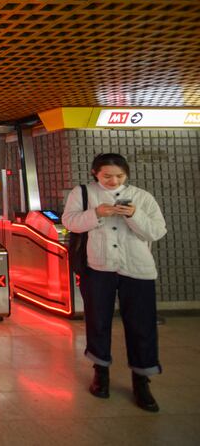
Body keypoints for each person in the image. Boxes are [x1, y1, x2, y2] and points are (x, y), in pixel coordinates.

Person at [62, 153, 167, 412]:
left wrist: (133, 215)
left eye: (119, 176)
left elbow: (156, 231)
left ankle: (142, 380)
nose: (113, 180)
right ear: (95, 172)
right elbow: (70, 222)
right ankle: (101, 372)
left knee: (142, 324)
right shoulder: (83, 193)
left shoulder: (142, 197)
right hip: (98, 266)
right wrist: (96, 213)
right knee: (98, 320)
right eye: (107, 176)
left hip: (138, 269)